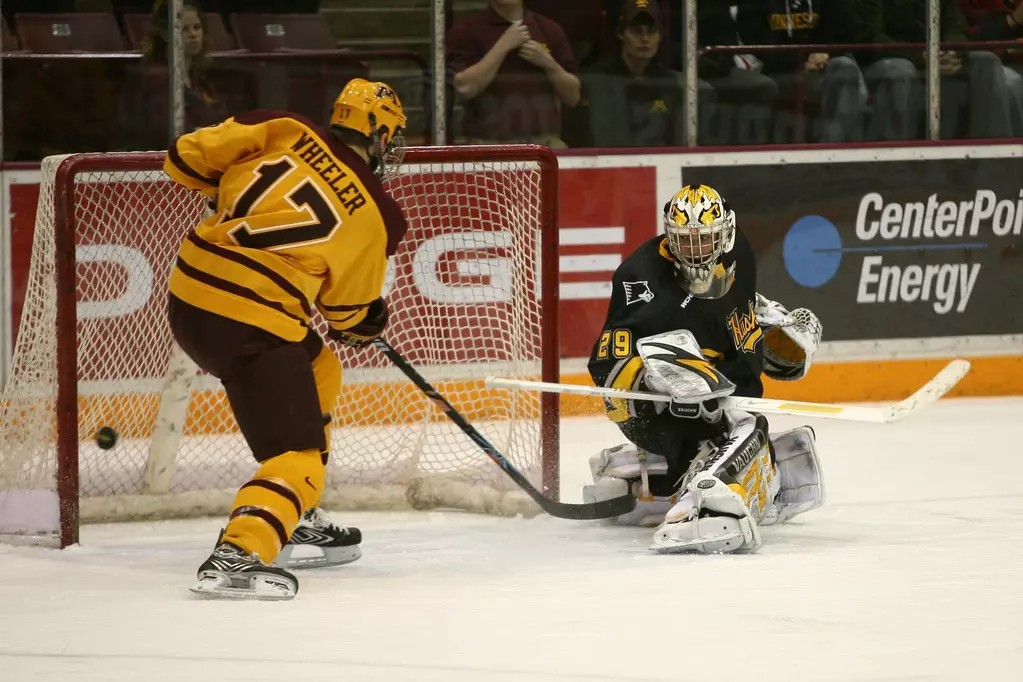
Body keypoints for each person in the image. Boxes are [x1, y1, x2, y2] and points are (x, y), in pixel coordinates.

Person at [162, 78, 409, 599]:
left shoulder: (282, 126)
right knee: (299, 455)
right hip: (248, 326)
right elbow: (345, 315)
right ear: (381, 136)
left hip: (188, 299)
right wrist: (369, 320)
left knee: (321, 366)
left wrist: (226, 192)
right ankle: (241, 551)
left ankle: (296, 511)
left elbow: (182, 159)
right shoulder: (380, 215)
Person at [585, 184, 825, 554]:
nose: (697, 251)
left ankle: (647, 480)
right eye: (685, 241)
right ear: (669, 236)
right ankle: (701, 504)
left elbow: (733, 307)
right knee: (750, 429)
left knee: (772, 453)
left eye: (706, 239)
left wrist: (770, 322)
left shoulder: (739, 252)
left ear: (726, 233)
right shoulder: (640, 279)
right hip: (657, 413)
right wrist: (657, 381)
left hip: (722, 403)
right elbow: (606, 362)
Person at [854, 0, 1016, 139]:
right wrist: (921, 56)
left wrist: (951, 51)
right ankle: (893, 160)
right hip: (887, 59)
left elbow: (955, 27)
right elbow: (871, 37)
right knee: (902, 70)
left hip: (932, 56)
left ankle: (994, 156)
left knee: (986, 61)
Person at [447, 0, 581, 147]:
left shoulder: (549, 29)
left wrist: (549, 64)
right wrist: (503, 45)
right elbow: (464, 87)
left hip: (545, 145)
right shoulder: (468, 30)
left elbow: (573, 97)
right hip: (487, 145)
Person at [583, 0, 714, 147]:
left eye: (651, 31)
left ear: (660, 36)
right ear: (621, 34)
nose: (645, 39)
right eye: (636, 31)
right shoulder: (600, 78)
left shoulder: (668, 81)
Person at [735, 0, 868, 142]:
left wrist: (826, 53)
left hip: (823, 64)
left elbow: (845, 32)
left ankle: (831, 146)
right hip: (778, 70)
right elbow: (756, 41)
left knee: (846, 71)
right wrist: (802, 60)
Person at [142, 0, 228, 133]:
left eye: (197, 27)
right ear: (165, 34)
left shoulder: (199, 79)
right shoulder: (157, 80)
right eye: (184, 29)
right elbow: (163, 128)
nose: (193, 34)